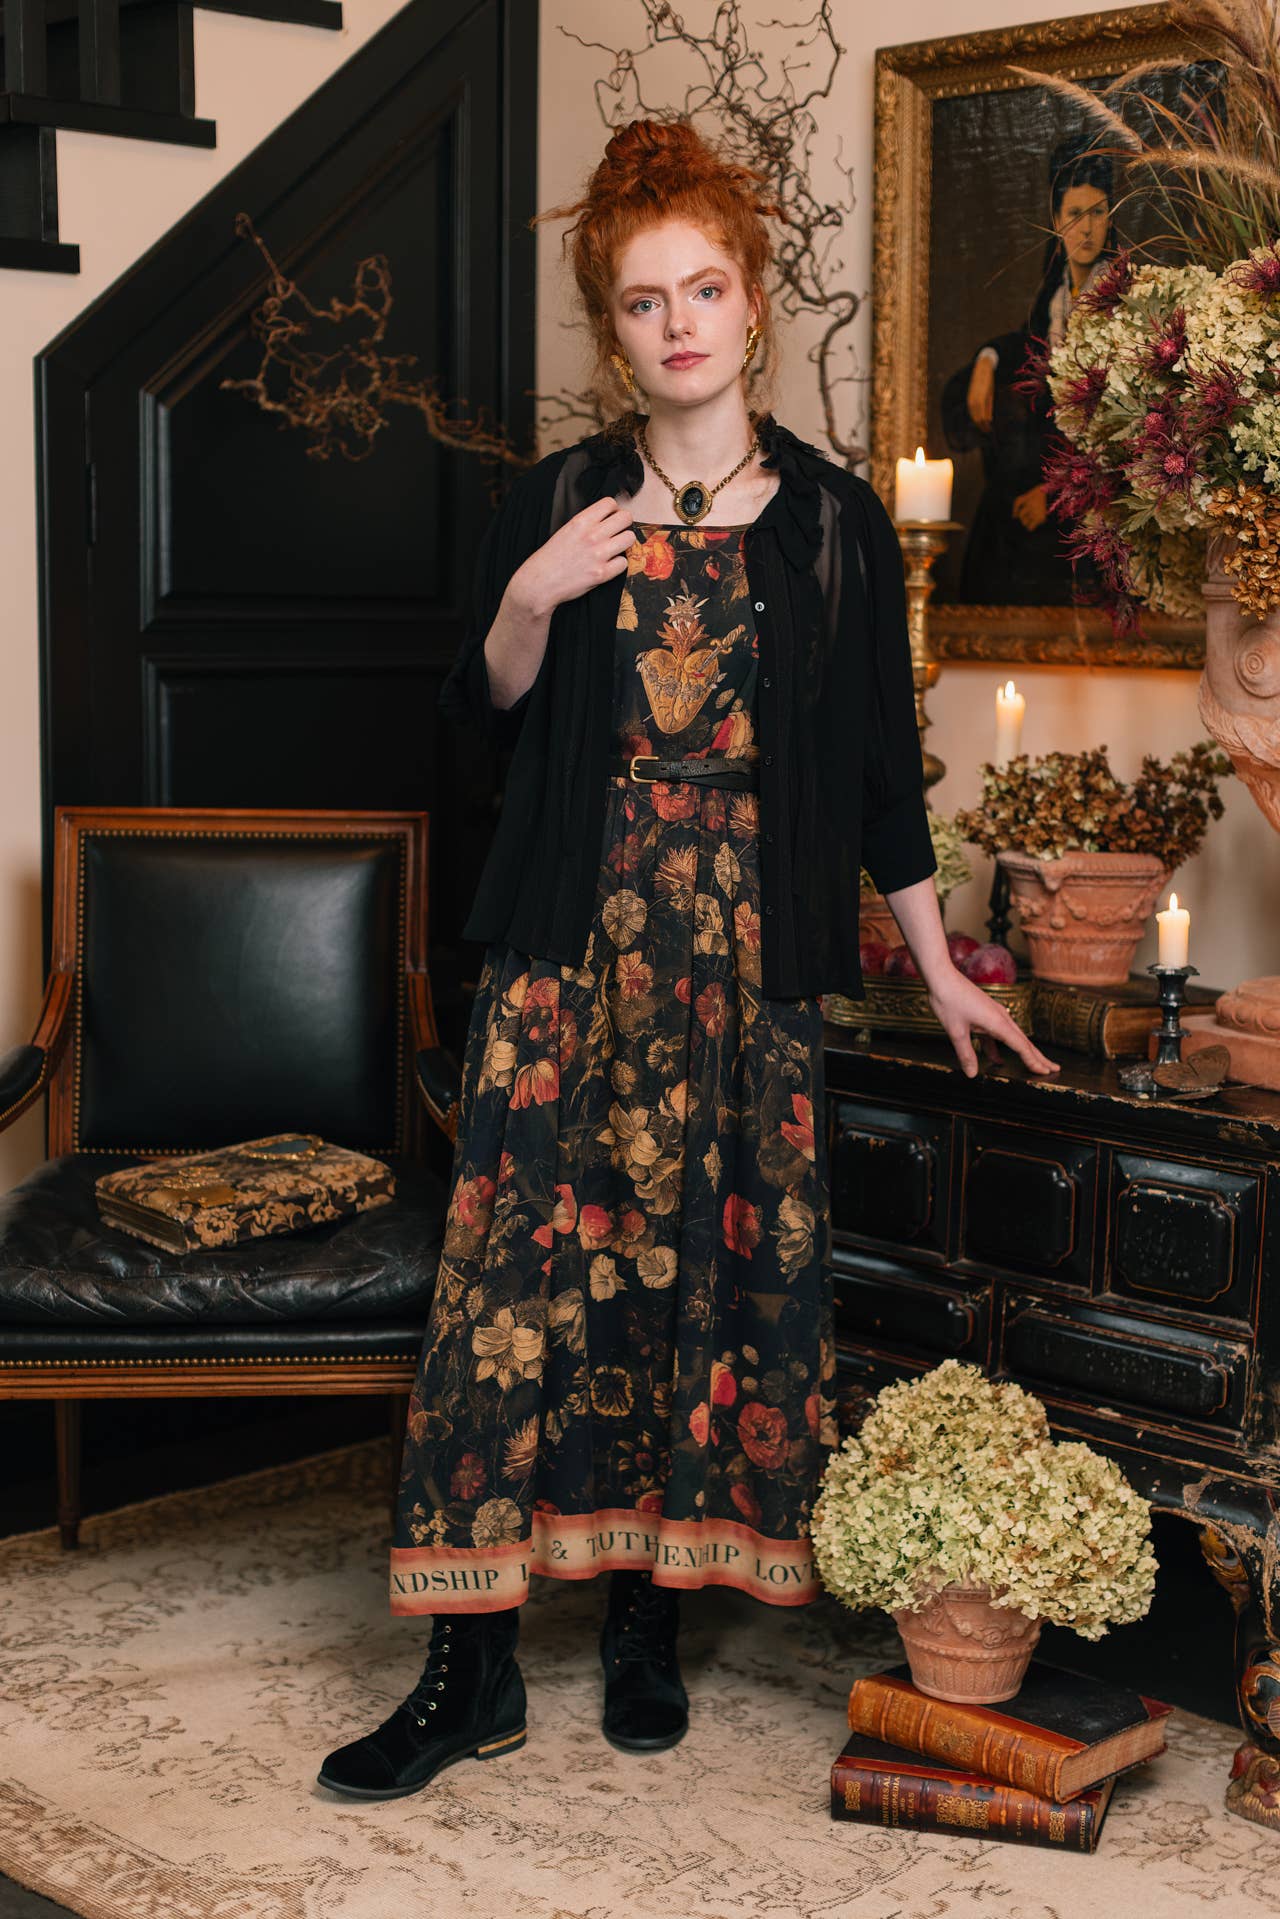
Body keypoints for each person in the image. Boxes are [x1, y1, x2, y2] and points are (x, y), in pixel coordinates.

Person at [317, 116, 1058, 1803]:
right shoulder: (556, 503)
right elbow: (479, 736)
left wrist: (939, 963)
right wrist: (529, 598)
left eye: (703, 288)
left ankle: (647, 1620)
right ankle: (469, 1669)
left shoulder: (832, 523)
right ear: (613, 328)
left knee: (690, 1291)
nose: (678, 325)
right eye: (644, 301)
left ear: (753, 299)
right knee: (505, 1295)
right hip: (568, 953)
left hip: (742, 966)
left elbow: (878, 778)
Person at [941, 141, 1116, 604]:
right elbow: (1026, 342)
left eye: (1098, 213)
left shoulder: (1120, 297)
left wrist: (1056, 494)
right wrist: (987, 359)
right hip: (1043, 480)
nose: (1087, 229)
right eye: (1075, 214)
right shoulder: (1055, 294)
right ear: (1056, 220)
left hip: (1088, 496)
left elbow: (1121, 429)